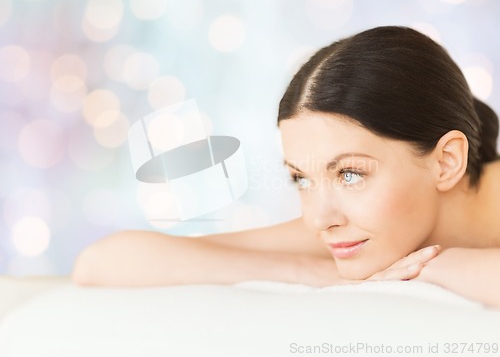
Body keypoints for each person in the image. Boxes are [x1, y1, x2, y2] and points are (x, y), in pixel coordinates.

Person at [72, 26, 500, 308]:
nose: (318, 219)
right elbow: (102, 263)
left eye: (349, 174)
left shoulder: (385, 231)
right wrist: (315, 275)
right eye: (302, 178)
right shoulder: (358, 231)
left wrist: (434, 269)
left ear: (446, 162)